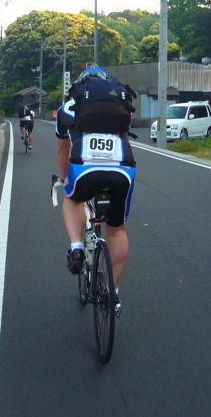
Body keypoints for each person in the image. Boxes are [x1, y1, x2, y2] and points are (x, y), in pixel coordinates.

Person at [55, 65, 136, 313]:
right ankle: (114, 294)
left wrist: (64, 177)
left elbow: (63, 150)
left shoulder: (68, 108)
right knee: (117, 230)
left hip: (84, 169)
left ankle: (77, 247)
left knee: (71, 199)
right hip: (122, 170)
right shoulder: (120, 103)